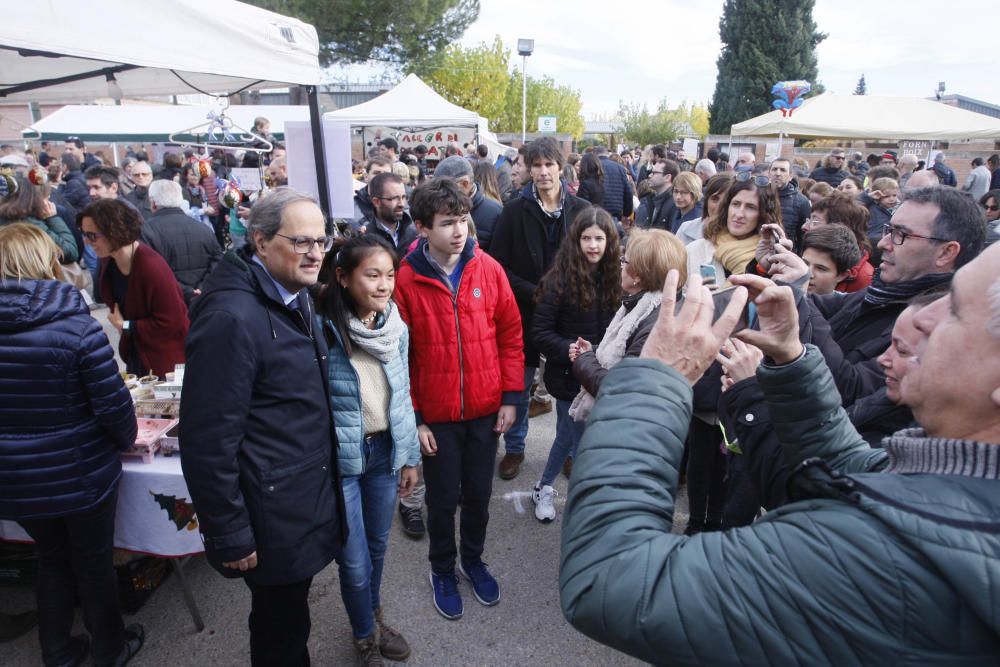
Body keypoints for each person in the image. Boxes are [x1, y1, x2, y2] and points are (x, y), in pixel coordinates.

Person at [562, 229, 1000, 662]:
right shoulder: (952, 483)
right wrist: (792, 362)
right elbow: (849, 473)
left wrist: (656, 380)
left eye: (957, 309)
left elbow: (609, 581)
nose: (921, 317)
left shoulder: (878, 555)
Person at [180, 188, 345, 667]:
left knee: (290, 619)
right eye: (301, 242)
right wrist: (229, 532)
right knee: (279, 629)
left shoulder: (295, 292)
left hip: (296, 498)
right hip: (271, 509)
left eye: (322, 240)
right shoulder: (232, 318)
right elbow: (208, 440)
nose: (316, 252)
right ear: (259, 241)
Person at [0, 223, 143, 667]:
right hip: (80, 473)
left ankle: (58, 651)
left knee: (51, 559)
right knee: (91, 562)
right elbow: (114, 407)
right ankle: (109, 649)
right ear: (46, 262)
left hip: (16, 479)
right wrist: (127, 441)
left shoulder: (72, 325)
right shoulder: (75, 327)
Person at [393, 178, 523, 621]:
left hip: (486, 411)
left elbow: (510, 335)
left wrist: (510, 396)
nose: (458, 231)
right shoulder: (405, 281)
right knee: (443, 498)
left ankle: (473, 560)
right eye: (447, 223)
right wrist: (416, 419)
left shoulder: (489, 269)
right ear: (422, 227)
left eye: (462, 220)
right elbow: (399, 358)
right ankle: (442, 569)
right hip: (438, 417)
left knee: (479, 496)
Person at [317, 235, 418, 666]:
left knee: (377, 548)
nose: (383, 285)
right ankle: (363, 636)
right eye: (372, 275)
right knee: (354, 562)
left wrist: (409, 455)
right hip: (343, 461)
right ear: (343, 277)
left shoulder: (394, 325)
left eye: (389, 275)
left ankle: (374, 616)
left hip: (383, 454)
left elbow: (403, 394)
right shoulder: (322, 329)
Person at [489, 137, 590, 480]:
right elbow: (498, 265)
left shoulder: (580, 209)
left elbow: (594, 259)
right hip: (525, 311)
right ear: (529, 169)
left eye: (549, 165)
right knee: (518, 388)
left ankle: (571, 450)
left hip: (569, 314)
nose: (543, 172)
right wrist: (534, 292)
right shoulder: (514, 210)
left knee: (568, 391)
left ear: (561, 167)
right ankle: (515, 449)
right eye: (537, 165)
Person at [530, 209, 621, 521]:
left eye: (600, 238)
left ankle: (550, 488)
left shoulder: (616, 278)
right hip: (568, 375)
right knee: (573, 435)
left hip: (600, 374)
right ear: (576, 241)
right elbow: (540, 332)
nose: (593, 245)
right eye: (587, 238)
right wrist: (569, 348)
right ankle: (552, 492)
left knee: (575, 438)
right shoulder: (559, 280)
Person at [570, 229, 685, 412]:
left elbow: (619, 387)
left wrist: (584, 360)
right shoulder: (644, 307)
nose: (620, 266)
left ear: (639, 275)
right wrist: (591, 351)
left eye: (624, 261)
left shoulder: (654, 324)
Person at [80, 199, 188, 378]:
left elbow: (172, 322)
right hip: (138, 353)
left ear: (114, 231)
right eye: (84, 235)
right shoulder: (109, 260)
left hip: (164, 363)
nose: (87, 242)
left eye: (92, 235)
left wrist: (126, 325)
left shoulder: (151, 267)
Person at [686, 173, 779, 288]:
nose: (739, 214)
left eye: (750, 207)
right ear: (726, 207)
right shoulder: (695, 250)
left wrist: (765, 270)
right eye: (735, 204)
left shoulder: (772, 257)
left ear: (763, 214)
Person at [142, 180, 222, 304]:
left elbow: (148, 271)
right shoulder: (204, 229)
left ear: (153, 203)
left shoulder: (145, 231)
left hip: (166, 302)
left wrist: (187, 291)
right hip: (201, 301)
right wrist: (199, 289)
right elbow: (218, 262)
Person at [799, 194, 874, 292]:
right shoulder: (809, 253)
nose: (804, 226)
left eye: (816, 221)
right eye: (805, 263)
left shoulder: (864, 278)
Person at [0, 175, 79, 264]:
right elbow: (71, 252)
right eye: (46, 197)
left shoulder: (4, 216)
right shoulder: (32, 224)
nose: (49, 202)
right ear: (36, 199)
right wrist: (52, 218)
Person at [434, 156, 502, 252]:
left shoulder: (496, 213)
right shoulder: (436, 208)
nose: (440, 193)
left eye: (445, 187)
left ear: (465, 184)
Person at [354, 172, 417, 256]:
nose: (401, 204)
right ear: (376, 202)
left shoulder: (414, 234)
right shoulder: (365, 240)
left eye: (404, 197)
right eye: (394, 198)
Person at [800, 225, 864, 295]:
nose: (808, 273)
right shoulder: (787, 291)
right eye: (805, 263)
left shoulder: (848, 305)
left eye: (821, 268)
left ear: (842, 275)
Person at [676, 173, 733, 246]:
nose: (720, 206)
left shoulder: (742, 238)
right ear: (706, 201)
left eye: (726, 201)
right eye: (715, 199)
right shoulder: (685, 229)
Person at [768, 158, 811, 244]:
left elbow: (803, 236)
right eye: (774, 169)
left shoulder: (802, 202)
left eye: (783, 170)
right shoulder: (758, 195)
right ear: (769, 174)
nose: (777, 173)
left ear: (790, 176)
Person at [634, 159, 679, 230]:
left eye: (654, 173)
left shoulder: (675, 203)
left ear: (667, 177)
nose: (649, 175)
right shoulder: (648, 200)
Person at [593, 145, 633, 222]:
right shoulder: (620, 168)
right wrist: (626, 213)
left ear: (594, 155)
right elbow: (628, 192)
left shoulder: (592, 167)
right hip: (616, 212)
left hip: (596, 212)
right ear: (607, 154)